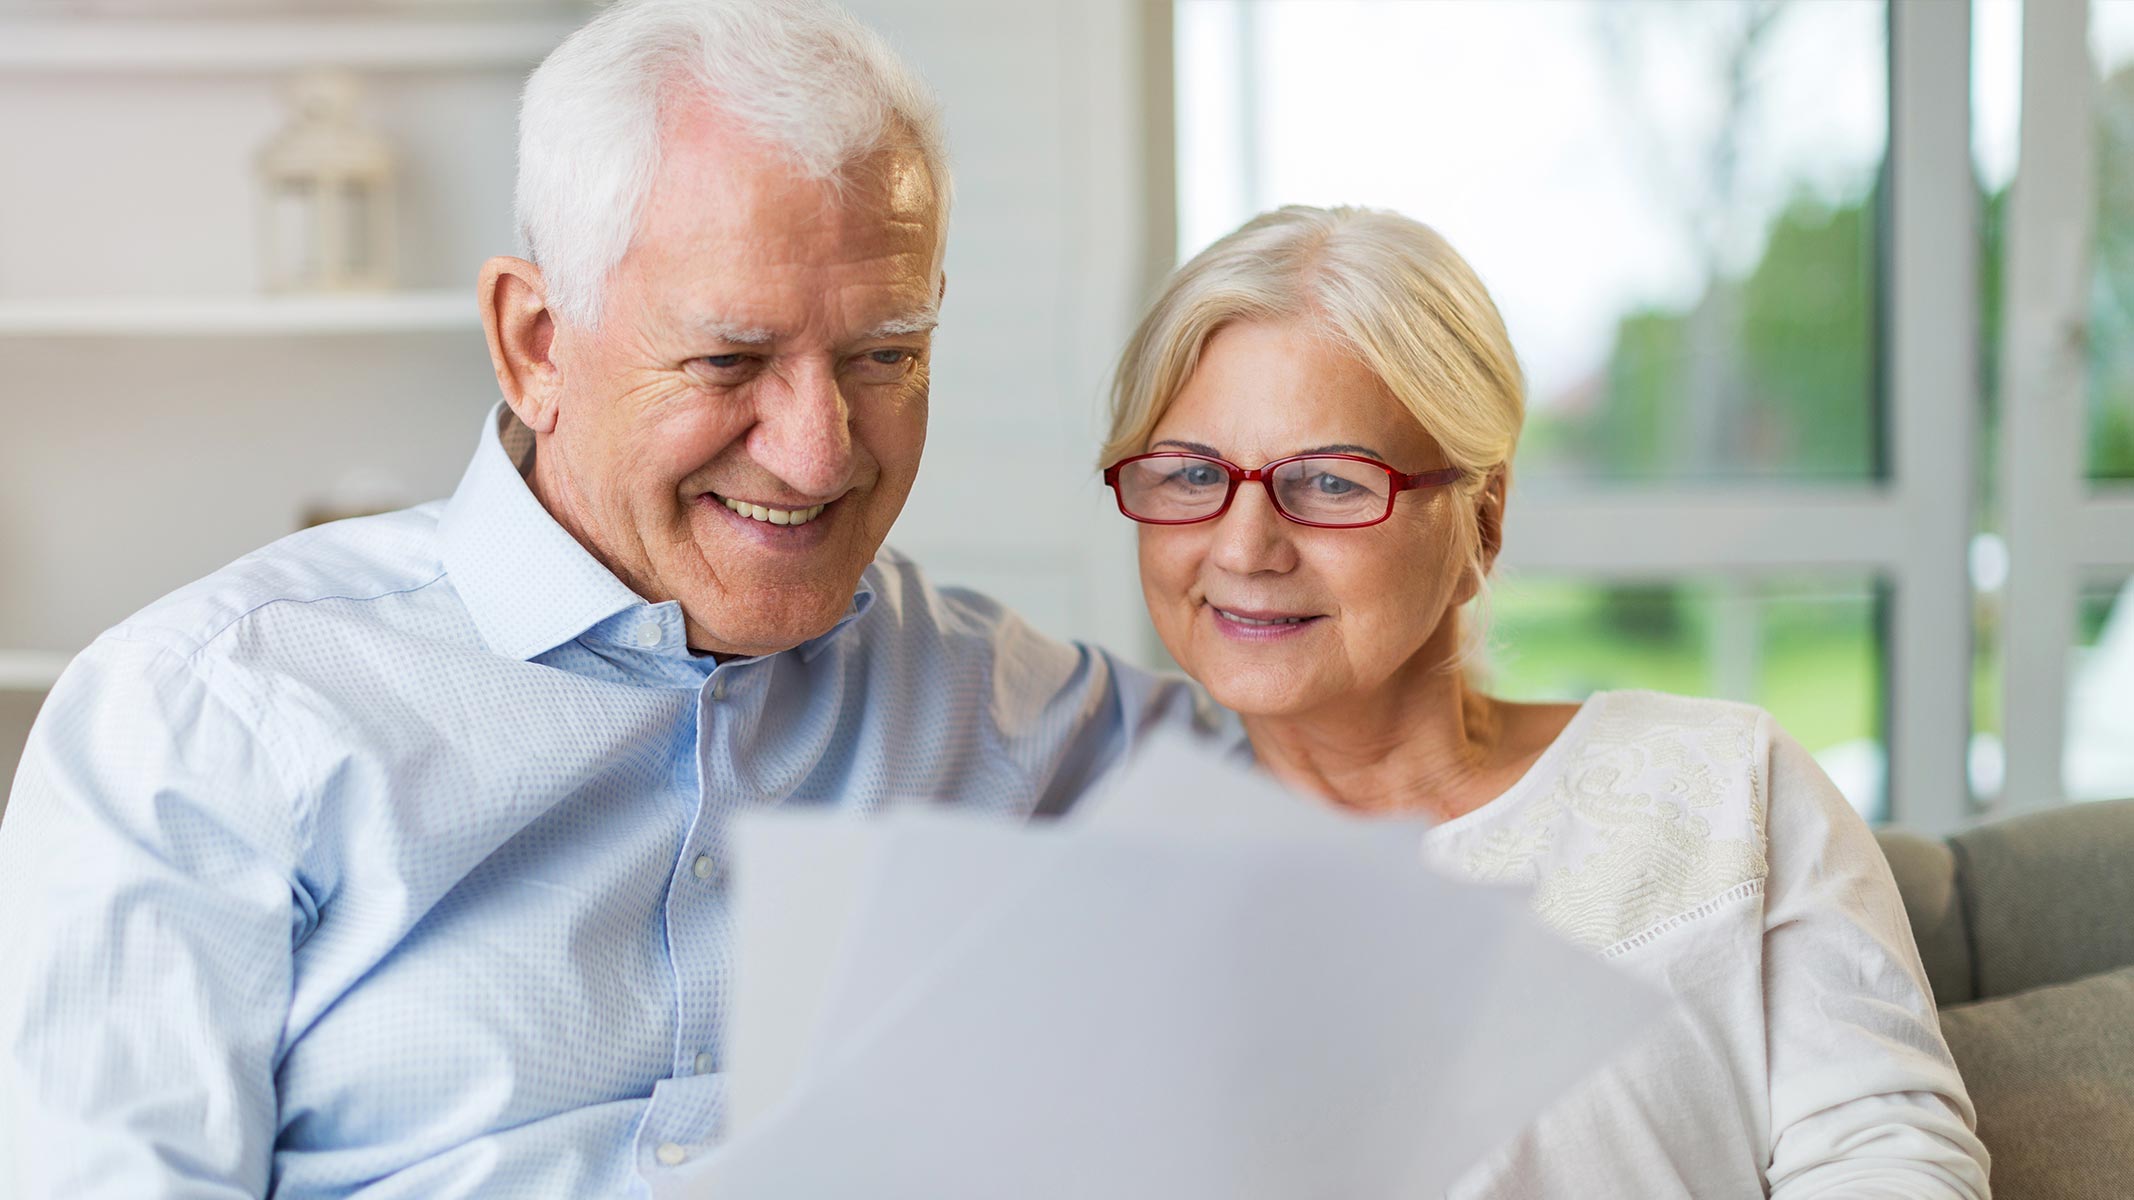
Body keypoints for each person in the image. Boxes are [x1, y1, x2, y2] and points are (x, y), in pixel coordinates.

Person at [0, 2, 1214, 1195]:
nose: (816, 451)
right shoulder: (205, 716)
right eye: (728, 361)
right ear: (535, 342)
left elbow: (1375, 805)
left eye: (883, 355)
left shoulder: (1011, 707)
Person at [1098, 204, 1992, 1198]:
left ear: (1481, 518)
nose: (1242, 547)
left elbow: (1889, 1163)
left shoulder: (1724, 785)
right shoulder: (1113, 895)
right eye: (1189, 474)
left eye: (1329, 482)